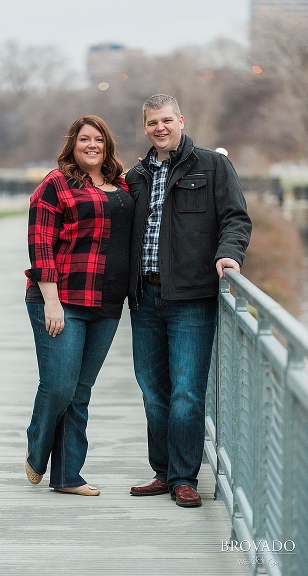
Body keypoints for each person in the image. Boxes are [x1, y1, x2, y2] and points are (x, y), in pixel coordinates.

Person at [126, 94, 251, 507]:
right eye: (152, 122)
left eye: (166, 120)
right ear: (144, 128)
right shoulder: (136, 176)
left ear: (180, 120)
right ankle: (162, 472)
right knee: (152, 390)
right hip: (145, 298)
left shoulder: (213, 165)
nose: (160, 128)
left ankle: (184, 478)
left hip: (192, 297)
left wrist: (228, 254)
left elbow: (235, 217)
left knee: (186, 392)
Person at [24, 115, 134, 496]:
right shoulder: (55, 185)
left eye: (99, 140)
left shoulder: (122, 185)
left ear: (107, 146)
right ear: (73, 144)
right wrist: (51, 302)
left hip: (106, 302)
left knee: (80, 390)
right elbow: (40, 247)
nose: (92, 145)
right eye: (84, 139)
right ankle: (37, 446)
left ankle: (68, 476)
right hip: (61, 300)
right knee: (58, 386)